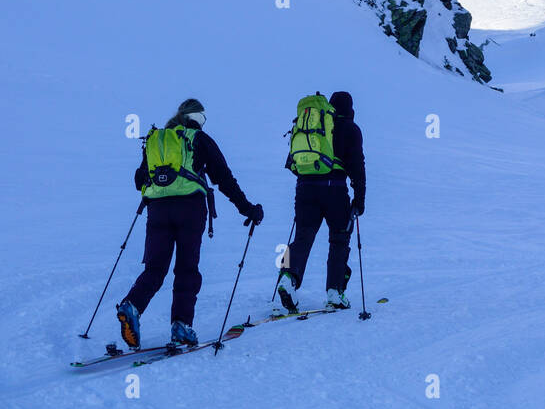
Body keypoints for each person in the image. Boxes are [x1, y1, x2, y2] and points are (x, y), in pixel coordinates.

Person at [116, 98, 264, 349]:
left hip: (158, 210)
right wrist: (248, 209)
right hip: (190, 209)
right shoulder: (199, 139)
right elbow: (224, 178)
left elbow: (140, 179)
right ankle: (181, 326)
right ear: (199, 118)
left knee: (155, 269)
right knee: (186, 269)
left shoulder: (158, 140)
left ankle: (131, 305)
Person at [278, 91, 366, 313]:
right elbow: (357, 167)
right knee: (339, 239)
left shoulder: (315, 125)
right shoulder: (351, 129)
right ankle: (334, 292)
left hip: (305, 188)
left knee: (302, 238)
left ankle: (288, 278)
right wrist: (359, 199)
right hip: (335, 190)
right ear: (350, 109)